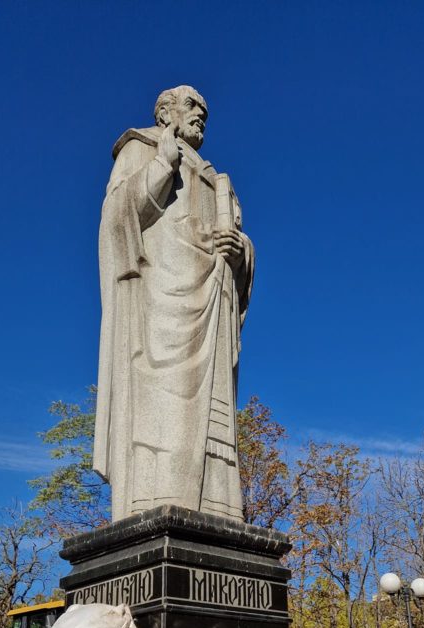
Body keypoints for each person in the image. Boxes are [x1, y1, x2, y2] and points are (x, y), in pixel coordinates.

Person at [93, 85, 254, 521]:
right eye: (192, 106)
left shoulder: (217, 177)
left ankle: (214, 507)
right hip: (158, 303)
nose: (201, 115)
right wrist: (163, 165)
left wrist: (238, 250)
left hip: (209, 301)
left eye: (205, 110)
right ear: (166, 112)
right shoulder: (140, 148)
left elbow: (240, 245)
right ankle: (152, 498)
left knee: (213, 421)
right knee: (158, 404)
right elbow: (116, 219)